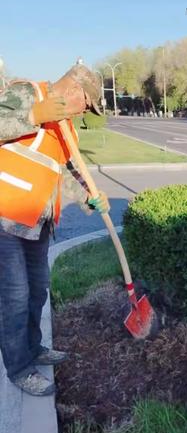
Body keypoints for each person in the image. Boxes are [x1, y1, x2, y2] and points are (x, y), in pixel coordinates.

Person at [0, 63, 110, 396]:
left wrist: (87, 199)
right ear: (76, 91)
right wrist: (33, 115)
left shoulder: (65, 129)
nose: (84, 112)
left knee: (37, 291)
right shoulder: (26, 94)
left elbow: (56, 174)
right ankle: (19, 368)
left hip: (37, 222)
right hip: (5, 216)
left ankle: (33, 348)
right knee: (15, 298)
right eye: (86, 105)